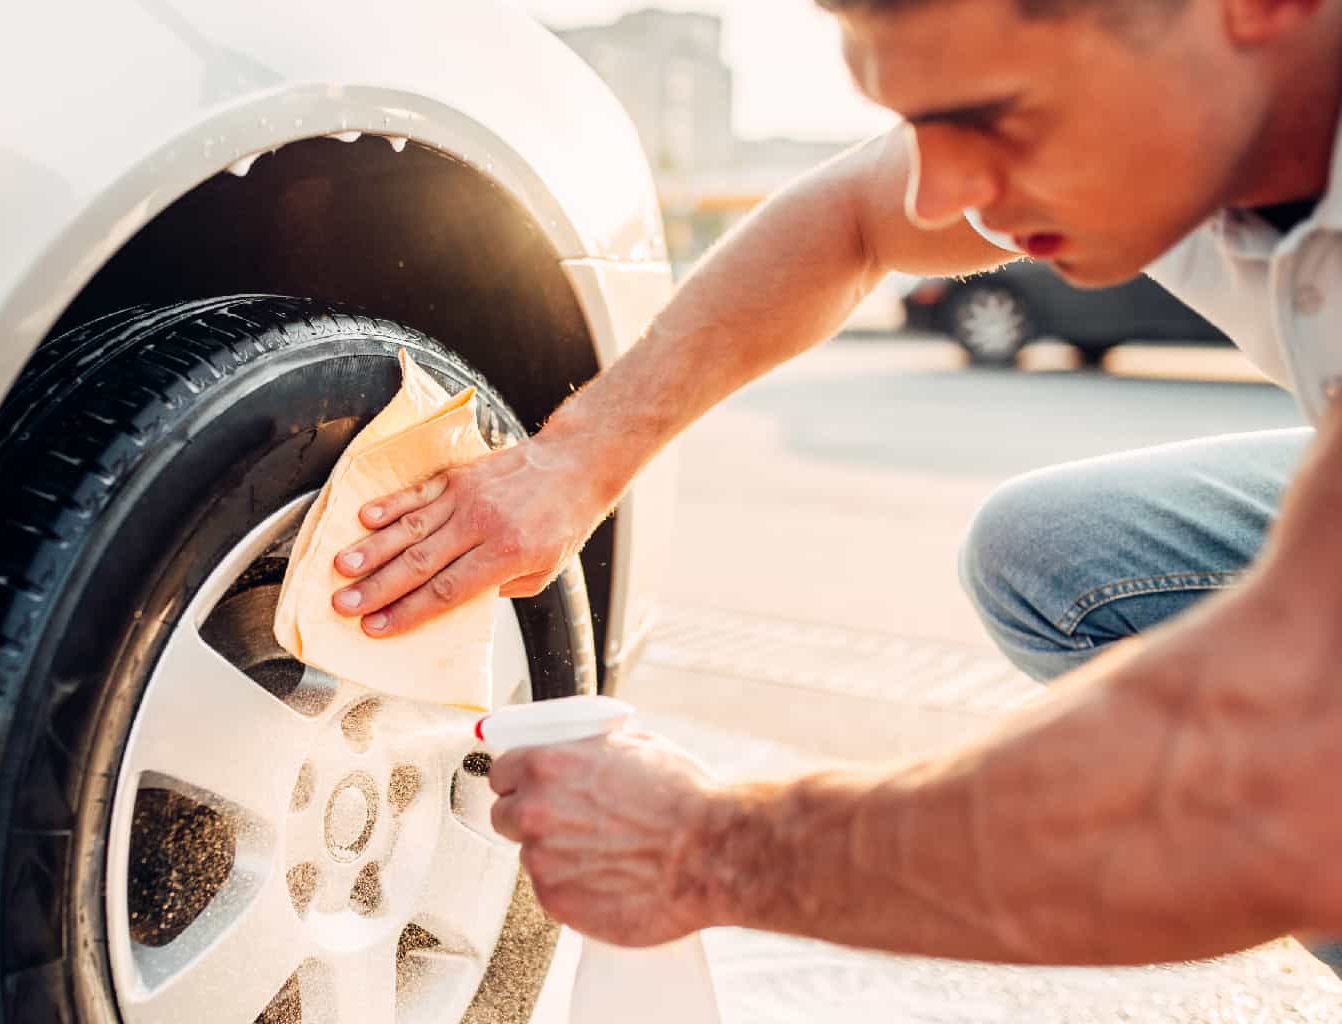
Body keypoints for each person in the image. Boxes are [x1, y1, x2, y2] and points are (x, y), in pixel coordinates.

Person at [328, 0, 1342, 968]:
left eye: (993, 115)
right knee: (1056, 554)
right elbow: (853, 218)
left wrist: (707, 848)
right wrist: (571, 461)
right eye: (915, 121)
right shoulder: (1179, 105)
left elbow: (1266, 783)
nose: (940, 195)